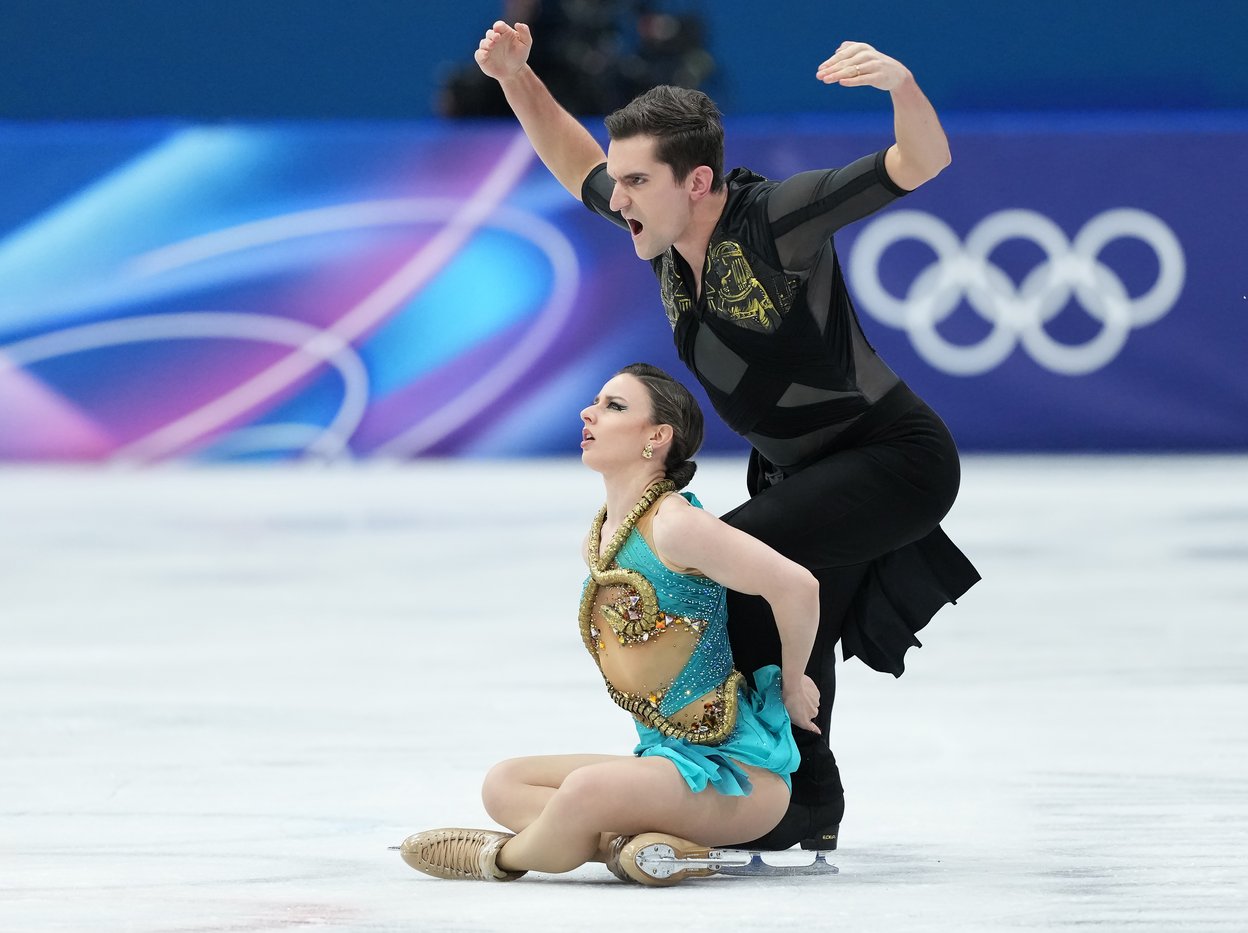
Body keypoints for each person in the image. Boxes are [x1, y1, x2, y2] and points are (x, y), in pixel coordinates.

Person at [474, 22, 980, 851]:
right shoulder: (660, 233)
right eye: (621, 179)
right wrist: (515, 78)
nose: (618, 197)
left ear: (698, 180)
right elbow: (576, 164)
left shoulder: (774, 220)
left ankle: (741, 788)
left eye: (637, 180)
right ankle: (804, 801)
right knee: (789, 616)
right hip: (796, 474)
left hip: (893, 461)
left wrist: (900, 84)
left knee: (732, 571)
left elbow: (920, 162)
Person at [397, 363, 822, 885]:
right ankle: (632, 850)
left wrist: (794, 684)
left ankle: (503, 858)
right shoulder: (600, 539)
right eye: (596, 402)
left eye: (614, 406)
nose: (588, 413)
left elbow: (798, 586)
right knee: (504, 783)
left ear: (656, 437)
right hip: (663, 761)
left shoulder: (675, 524)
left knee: (584, 791)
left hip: (736, 776)